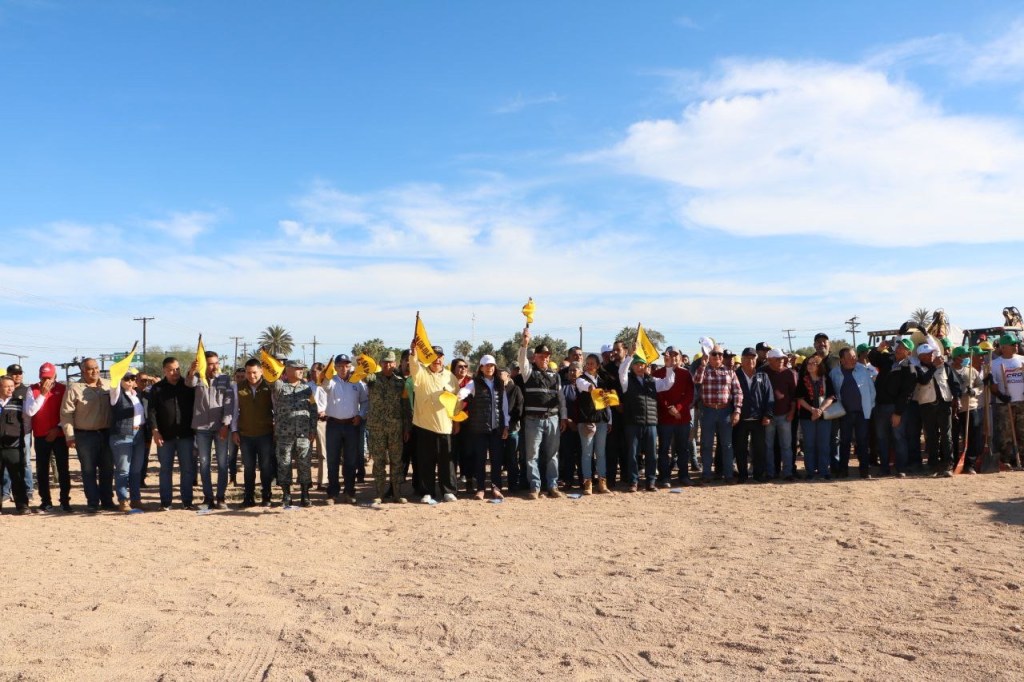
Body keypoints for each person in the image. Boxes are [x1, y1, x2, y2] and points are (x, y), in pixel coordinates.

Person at [617, 344, 677, 491]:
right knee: (632, 454)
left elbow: (668, 383)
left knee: (652, 454)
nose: (639, 367)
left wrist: (668, 366)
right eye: (636, 364)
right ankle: (633, 482)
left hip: (650, 423)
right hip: (632, 422)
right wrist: (630, 356)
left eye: (642, 364)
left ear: (646, 366)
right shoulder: (626, 382)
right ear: (632, 366)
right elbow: (621, 371)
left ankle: (650, 481)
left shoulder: (653, 381)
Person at [407, 342, 460, 503]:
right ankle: (427, 492)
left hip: (445, 426)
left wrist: (456, 421)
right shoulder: (420, 373)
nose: (437, 360)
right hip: (424, 425)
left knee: (447, 461)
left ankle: (448, 491)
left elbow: (456, 400)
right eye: (434, 356)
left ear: (443, 359)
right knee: (425, 461)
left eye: (440, 357)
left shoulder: (450, 377)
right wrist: (414, 352)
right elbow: (414, 365)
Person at [518, 331, 568, 499]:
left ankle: (552, 486)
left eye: (547, 356)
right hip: (533, 420)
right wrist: (525, 344)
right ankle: (535, 487)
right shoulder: (528, 372)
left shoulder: (556, 376)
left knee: (553, 455)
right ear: (535, 358)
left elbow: (561, 399)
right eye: (541, 356)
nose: (544, 359)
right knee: (532, 456)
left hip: (553, 419)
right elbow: (521, 360)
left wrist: (563, 417)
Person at [60, 357, 114, 512]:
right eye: (90, 368)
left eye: (96, 367)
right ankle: (92, 502)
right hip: (85, 436)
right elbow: (66, 414)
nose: (94, 371)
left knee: (108, 468)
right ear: (83, 371)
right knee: (88, 470)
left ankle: (107, 501)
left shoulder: (108, 385)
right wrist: (69, 436)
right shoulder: (74, 388)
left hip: (106, 433)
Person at [456, 354, 509, 500]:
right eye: (486, 365)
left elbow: (504, 406)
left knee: (496, 460)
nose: (489, 368)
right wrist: (459, 395)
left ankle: (496, 488)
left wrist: (506, 425)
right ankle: (480, 488)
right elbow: (464, 391)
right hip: (479, 429)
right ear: (481, 367)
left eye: (492, 365)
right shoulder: (474, 383)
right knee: (479, 459)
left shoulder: (500, 384)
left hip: (496, 428)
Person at [187, 351, 235, 509]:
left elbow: (229, 402)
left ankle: (221, 498)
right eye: (210, 363)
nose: (214, 366)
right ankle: (208, 498)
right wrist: (192, 370)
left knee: (222, 463)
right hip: (201, 428)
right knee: (205, 463)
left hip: (220, 427)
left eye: (216, 362)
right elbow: (188, 383)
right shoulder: (197, 378)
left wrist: (226, 424)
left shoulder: (224, 379)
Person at [148, 357, 196, 510]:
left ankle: (187, 501)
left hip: (186, 436)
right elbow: (151, 411)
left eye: (177, 369)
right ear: (164, 370)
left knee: (187, 469)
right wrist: (155, 431)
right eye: (171, 369)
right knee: (165, 470)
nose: (174, 372)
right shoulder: (157, 388)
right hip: (165, 437)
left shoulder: (187, 386)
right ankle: (166, 502)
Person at [692, 345, 742, 484]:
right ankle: (706, 474)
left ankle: (728, 475)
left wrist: (737, 410)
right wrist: (702, 364)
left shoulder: (730, 372)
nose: (718, 357)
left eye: (720, 354)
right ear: (709, 355)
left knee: (727, 445)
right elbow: (696, 381)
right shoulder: (703, 370)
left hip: (725, 411)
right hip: (707, 411)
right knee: (706, 444)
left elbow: (738, 392)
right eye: (714, 354)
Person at [324, 354, 369, 504]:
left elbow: (365, 401)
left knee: (351, 460)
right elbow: (324, 385)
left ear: (351, 366)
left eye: (347, 366)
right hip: (334, 425)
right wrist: (326, 373)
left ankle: (349, 491)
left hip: (352, 425)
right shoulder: (331, 381)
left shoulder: (358, 382)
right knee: (332, 460)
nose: (344, 369)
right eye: (340, 366)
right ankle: (333, 492)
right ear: (335, 368)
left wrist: (361, 415)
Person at [26, 362, 71, 512]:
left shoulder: (63, 389)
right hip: (41, 436)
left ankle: (65, 501)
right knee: (42, 470)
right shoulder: (32, 390)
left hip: (59, 435)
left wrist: (57, 428)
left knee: (63, 469)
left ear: (55, 376)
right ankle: (46, 501)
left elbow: (68, 412)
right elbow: (30, 411)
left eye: (49, 378)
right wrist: (43, 394)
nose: (46, 381)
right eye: (43, 378)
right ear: (39, 376)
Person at [272, 359, 317, 507]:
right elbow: (271, 379)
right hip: (284, 434)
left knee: (304, 464)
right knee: (284, 464)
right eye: (297, 368)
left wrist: (313, 429)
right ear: (288, 370)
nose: (301, 371)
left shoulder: (307, 389)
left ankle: (305, 494)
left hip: (303, 434)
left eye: (302, 368)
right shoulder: (280, 388)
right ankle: (286, 495)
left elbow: (313, 410)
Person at [869, 338, 916, 477]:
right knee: (882, 439)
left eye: (903, 347)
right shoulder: (887, 359)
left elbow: (906, 394)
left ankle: (901, 468)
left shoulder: (910, 369)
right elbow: (873, 358)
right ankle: (884, 468)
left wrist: (898, 412)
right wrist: (879, 348)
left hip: (896, 408)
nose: (899, 348)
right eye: (899, 346)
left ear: (909, 352)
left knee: (898, 438)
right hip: (880, 406)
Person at [913, 343, 961, 476]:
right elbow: (923, 380)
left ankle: (948, 464)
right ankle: (933, 465)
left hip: (944, 404)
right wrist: (933, 367)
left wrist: (956, 397)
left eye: (932, 353)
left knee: (947, 435)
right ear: (921, 356)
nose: (931, 355)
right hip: (927, 405)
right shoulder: (917, 368)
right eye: (928, 354)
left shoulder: (944, 366)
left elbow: (953, 382)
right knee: (932, 436)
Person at [367, 351, 409, 504]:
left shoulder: (401, 382)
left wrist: (406, 428)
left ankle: (397, 493)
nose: (387, 365)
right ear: (380, 363)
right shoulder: (372, 379)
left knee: (397, 462)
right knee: (379, 462)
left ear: (394, 363)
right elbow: (362, 376)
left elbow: (405, 407)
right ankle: (379, 494)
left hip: (395, 428)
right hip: (376, 427)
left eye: (390, 362)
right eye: (384, 362)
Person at [232, 359, 275, 507]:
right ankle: (248, 497)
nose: (251, 376)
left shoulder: (269, 387)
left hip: (265, 434)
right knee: (248, 468)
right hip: (246, 435)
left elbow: (275, 408)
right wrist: (234, 431)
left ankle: (266, 496)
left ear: (261, 371)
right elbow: (234, 411)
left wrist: (275, 427)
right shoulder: (238, 388)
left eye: (254, 372)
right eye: (248, 373)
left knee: (265, 467)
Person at [830, 347, 877, 479]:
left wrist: (870, 406)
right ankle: (843, 470)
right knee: (844, 442)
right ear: (842, 359)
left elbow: (872, 390)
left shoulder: (863, 370)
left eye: (854, 356)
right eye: (850, 357)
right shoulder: (834, 373)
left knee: (862, 442)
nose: (854, 359)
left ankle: (864, 470)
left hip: (862, 413)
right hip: (844, 414)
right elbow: (832, 392)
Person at [653, 346, 695, 487]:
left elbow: (690, 395)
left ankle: (684, 476)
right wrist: (668, 407)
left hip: (682, 417)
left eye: (675, 355)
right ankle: (664, 477)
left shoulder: (686, 374)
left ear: (680, 357)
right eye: (670, 355)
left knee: (683, 448)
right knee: (664, 449)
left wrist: (677, 408)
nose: (673, 357)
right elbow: (658, 394)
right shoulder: (658, 373)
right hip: (665, 418)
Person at [733, 347, 774, 483]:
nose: (750, 360)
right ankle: (743, 475)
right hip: (740, 419)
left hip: (758, 419)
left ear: (756, 360)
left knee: (759, 449)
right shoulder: (735, 375)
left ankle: (758, 475)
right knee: (740, 449)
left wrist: (768, 415)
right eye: (747, 358)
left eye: (753, 358)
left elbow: (769, 397)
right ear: (742, 359)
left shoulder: (763, 375)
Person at [108, 368, 147, 511]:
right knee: (123, 470)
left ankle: (135, 499)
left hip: (139, 434)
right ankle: (123, 499)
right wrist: (117, 376)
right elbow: (113, 387)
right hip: (122, 435)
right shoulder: (116, 394)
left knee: (136, 470)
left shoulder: (137, 395)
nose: (130, 381)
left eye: (132, 378)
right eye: (126, 378)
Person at [575, 353, 613, 494]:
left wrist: (609, 420)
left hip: (602, 421)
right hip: (587, 422)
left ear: (597, 366)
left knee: (601, 453)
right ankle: (587, 483)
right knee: (587, 453)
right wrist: (593, 387)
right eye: (588, 363)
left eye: (593, 363)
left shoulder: (603, 381)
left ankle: (602, 482)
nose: (590, 365)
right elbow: (586, 386)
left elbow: (607, 403)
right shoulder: (581, 380)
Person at [795, 355, 836, 481]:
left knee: (824, 445)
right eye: (808, 363)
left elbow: (831, 397)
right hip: (807, 417)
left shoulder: (826, 379)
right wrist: (812, 410)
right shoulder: (803, 379)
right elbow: (799, 398)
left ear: (819, 365)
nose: (810, 365)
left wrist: (820, 410)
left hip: (824, 416)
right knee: (809, 445)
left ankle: (824, 470)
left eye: (813, 363)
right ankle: (810, 471)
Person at [0, 375, 35, 514]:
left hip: (13, 446)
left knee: (18, 476)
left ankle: (22, 505)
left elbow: (27, 421)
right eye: (7, 386)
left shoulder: (19, 403)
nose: (10, 388)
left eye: (12, 386)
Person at [988, 333, 1024, 469]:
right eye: (1012, 344)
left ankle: (1022, 458)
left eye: (1016, 343)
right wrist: (1000, 395)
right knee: (1005, 433)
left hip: (1022, 402)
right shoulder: (995, 364)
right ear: (1003, 347)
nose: (1016, 346)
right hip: (1004, 403)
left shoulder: (1022, 360)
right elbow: (993, 385)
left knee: (1022, 432)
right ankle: (1007, 460)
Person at [763, 348, 797, 481]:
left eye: (782, 358)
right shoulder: (763, 372)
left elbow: (794, 396)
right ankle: (770, 473)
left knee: (786, 446)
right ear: (770, 360)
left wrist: (792, 412)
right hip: (768, 415)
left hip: (785, 415)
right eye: (778, 359)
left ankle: (787, 472)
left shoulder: (789, 373)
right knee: (768, 446)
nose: (781, 361)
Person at [953, 346, 984, 474]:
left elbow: (980, 385)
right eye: (964, 356)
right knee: (953, 437)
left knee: (973, 436)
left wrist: (974, 391)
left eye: (967, 356)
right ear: (956, 357)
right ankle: (954, 462)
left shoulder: (971, 371)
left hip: (970, 407)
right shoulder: (948, 370)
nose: (967, 358)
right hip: (954, 409)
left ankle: (969, 464)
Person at [501, 366, 525, 492]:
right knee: (498, 458)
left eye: (502, 374)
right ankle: (497, 485)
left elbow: (519, 410)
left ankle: (513, 484)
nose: (499, 376)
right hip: (497, 430)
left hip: (512, 429)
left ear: (508, 376)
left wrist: (508, 425)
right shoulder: (495, 389)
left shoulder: (516, 389)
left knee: (512, 458)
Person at [308, 362, 328, 490]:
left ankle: (323, 481)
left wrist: (326, 411)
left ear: (321, 371)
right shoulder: (306, 387)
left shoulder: (329, 386)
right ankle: (306, 481)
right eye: (312, 371)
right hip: (308, 421)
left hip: (322, 421)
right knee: (305, 453)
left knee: (323, 453)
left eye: (315, 371)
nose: (313, 373)